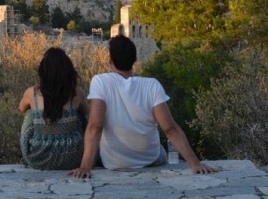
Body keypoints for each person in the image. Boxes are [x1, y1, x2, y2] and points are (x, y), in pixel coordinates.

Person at [68, 35, 217, 178]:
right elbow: (170, 129)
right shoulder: (152, 85)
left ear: (110, 60)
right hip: (150, 159)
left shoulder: (100, 82)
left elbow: (95, 126)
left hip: (114, 162)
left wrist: (85, 167)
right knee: (161, 151)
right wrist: (195, 164)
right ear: (134, 60)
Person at [19, 47, 89, 170]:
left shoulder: (32, 93)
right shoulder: (76, 92)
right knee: (79, 115)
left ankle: (30, 150)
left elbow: (21, 109)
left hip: (39, 159)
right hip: (73, 158)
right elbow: (88, 112)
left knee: (30, 113)